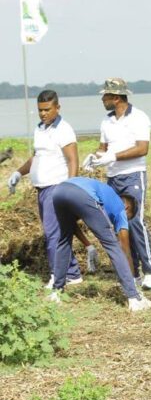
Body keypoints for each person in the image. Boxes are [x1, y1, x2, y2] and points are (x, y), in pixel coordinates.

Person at [7, 90, 97, 287]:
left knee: (53, 234)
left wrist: (70, 186)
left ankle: (59, 276)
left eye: (47, 110)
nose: (43, 114)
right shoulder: (40, 129)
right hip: (42, 189)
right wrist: (18, 173)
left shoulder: (64, 130)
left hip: (57, 187)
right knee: (58, 232)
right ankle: (71, 273)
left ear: (58, 107)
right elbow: (36, 158)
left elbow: (73, 160)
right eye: (40, 110)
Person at [85, 78, 151, 290]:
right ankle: (132, 272)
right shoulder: (107, 121)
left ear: (116, 97)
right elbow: (103, 147)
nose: (103, 99)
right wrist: (95, 157)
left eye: (106, 96)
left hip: (132, 175)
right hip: (113, 178)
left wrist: (113, 157)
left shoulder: (138, 118)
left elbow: (142, 148)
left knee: (136, 221)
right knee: (120, 225)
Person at [49, 177, 151, 312]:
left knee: (63, 241)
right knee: (112, 245)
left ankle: (56, 292)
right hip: (83, 194)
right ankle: (134, 298)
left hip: (59, 190)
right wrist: (134, 278)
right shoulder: (121, 208)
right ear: (127, 208)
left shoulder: (107, 194)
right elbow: (124, 249)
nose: (123, 222)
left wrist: (88, 246)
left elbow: (72, 227)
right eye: (128, 218)